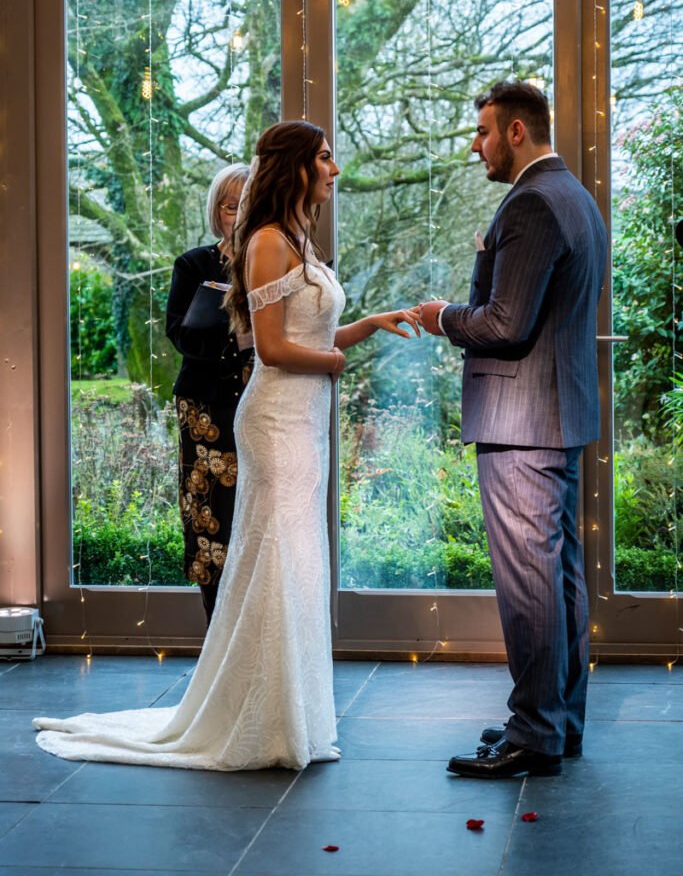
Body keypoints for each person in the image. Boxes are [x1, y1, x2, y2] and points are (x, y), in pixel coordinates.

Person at [33, 120, 420, 771]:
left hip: (302, 420)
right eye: (325, 158)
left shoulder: (298, 238)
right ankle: (260, 712)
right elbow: (269, 349)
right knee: (276, 553)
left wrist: (366, 327)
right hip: (274, 419)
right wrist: (328, 365)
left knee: (296, 561)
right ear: (297, 165)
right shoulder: (267, 242)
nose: (333, 169)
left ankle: (287, 709)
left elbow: (307, 330)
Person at [419, 81, 607, 779]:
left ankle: (535, 734)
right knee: (556, 580)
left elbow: (503, 324)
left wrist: (441, 315)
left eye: (483, 133)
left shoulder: (530, 202)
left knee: (530, 585)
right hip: (554, 417)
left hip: (523, 421)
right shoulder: (574, 197)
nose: (476, 145)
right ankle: (554, 723)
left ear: (517, 131)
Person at [166, 163, 253, 625]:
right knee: (210, 517)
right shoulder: (195, 264)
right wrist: (236, 340)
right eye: (228, 205)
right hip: (206, 405)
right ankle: (216, 624)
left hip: (261, 401)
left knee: (254, 519)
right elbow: (179, 335)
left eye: (246, 205)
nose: (237, 215)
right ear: (215, 210)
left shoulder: (276, 260)